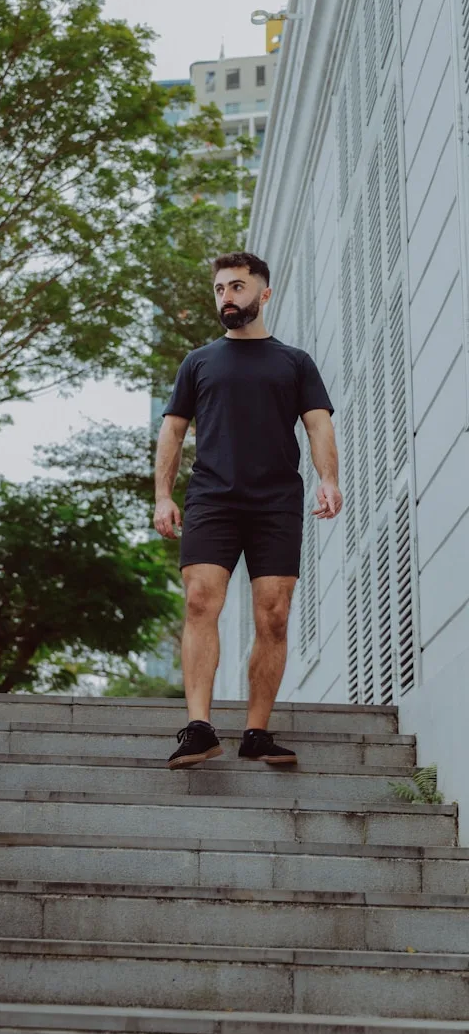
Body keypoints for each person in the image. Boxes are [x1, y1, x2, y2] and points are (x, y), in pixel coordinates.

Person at [154, 251, 342, 770]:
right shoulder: (199, 362)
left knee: (274, 615)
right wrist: (163, 496)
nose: (226, 298)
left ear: (263, 294)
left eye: (237, 287)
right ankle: (198, 728)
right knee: (199, 600)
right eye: (219, 289)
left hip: (277, 500)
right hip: (213, 496)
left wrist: (329, 480)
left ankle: (256, 732)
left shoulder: (295, 361)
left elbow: (318, 423)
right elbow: (172, 430)